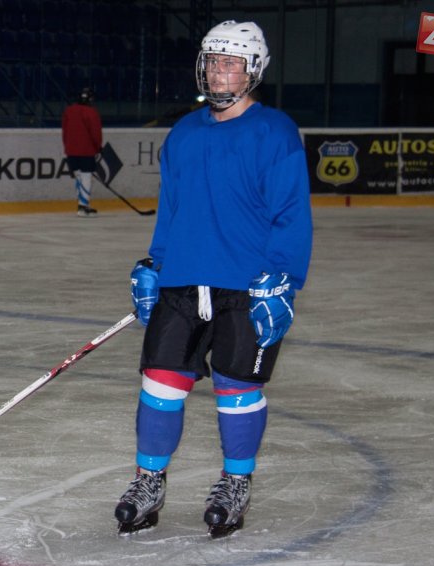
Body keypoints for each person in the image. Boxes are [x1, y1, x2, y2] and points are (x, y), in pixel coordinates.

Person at [115, 20, 313, 539]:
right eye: (212, 62)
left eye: (231, 63)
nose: (219, 72)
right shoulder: (184, 133)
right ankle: (149, 481)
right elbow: (171, 209)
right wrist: (156, 263)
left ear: (253, 71)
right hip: (183, 280)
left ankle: (235, 483)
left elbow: (291, 213)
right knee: (159, 384)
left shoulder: (275, 132)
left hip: (248, 285)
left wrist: (284, 280)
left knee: (236, 389)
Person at [61, 87, 103, 217]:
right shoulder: (92, 112)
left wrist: (68, 147)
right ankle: (83, 207)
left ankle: (82, 204)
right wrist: (98, 148)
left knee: (79, 177)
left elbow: (65, 132)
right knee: (86, 177)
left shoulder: (69, 111)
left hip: (71, 151)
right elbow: (95, 133)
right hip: (86, 151)